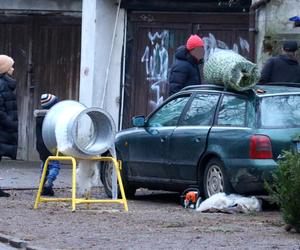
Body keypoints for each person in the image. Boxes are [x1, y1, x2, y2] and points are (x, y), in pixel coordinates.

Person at [35, 93, 60, 196]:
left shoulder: (39, 117)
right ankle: (48, 184)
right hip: (51, 146)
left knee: (44, 166)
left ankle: (42, 186)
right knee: (55, 165)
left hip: (41, 147)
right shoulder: (53, 118)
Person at [0, 55, 18, 197]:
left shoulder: (6, 84)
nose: (13, 68)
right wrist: (10, 123)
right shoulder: (1, 84)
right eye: (10, 66)